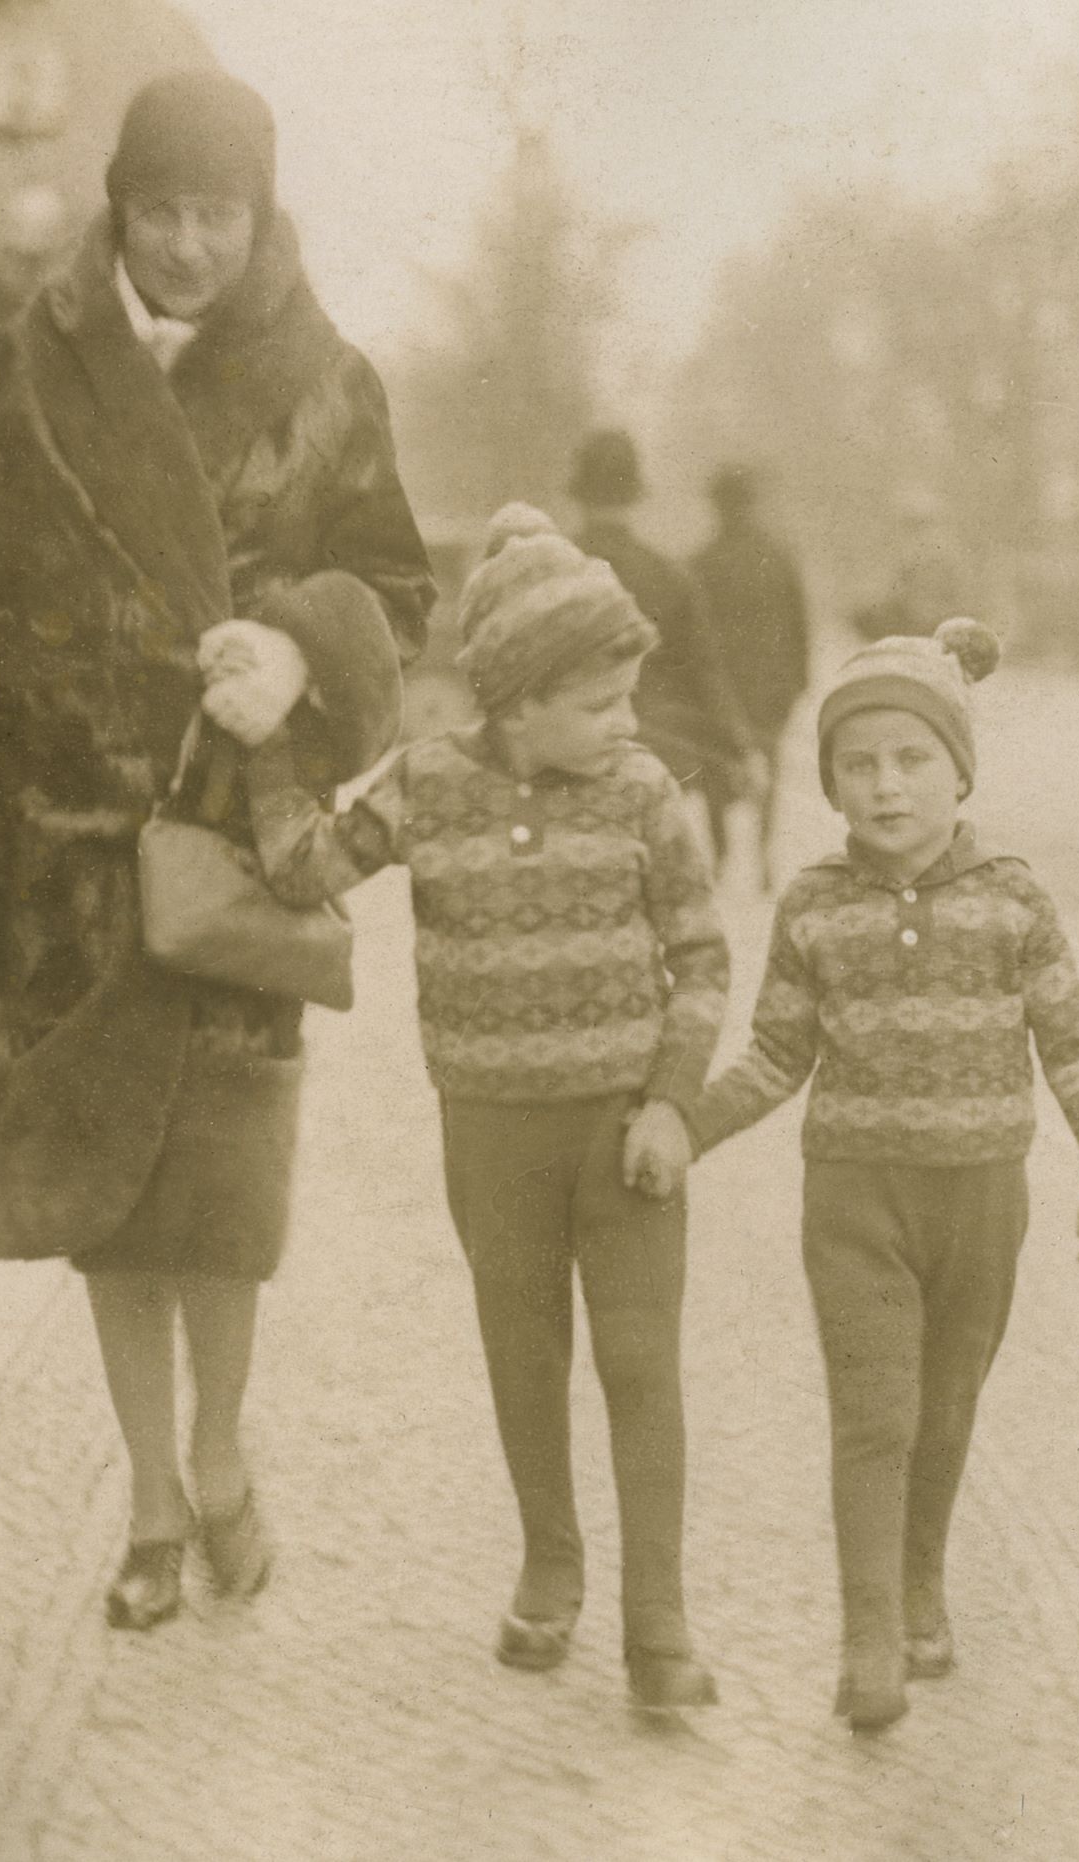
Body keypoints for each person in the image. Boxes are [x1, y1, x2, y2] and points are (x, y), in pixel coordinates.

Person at [0, 70, 434, 1630]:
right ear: (119, 205)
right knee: (105, 1197)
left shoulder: (330, 379)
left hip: (233, 827)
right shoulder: (31, 365)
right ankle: (153, 1505)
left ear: (259, 214)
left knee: (215, 1188)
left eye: (213, 214)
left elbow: (395, 586)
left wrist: (303, 654)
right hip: (66, 834)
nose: (183, 245)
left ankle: (220, 1454)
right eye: (157, 210)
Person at [245, 503, 726, 1710]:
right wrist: (261, 742)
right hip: (489, 1133)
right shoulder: (428, 782)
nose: (625, 726)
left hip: (624, 1135)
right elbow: (302, 866)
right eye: (599, 703)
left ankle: (657, 1623)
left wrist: (673, 1103)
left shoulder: (643, 794)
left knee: (638, 1364)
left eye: (628, 700)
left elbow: (704, 959)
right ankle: (550, 1563)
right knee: (523, 1355)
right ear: (514, 701)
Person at [629, 618, 1079, 1732]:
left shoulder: (1011, 896)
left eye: (912, 759)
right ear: (829, 785)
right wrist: (683, 1127)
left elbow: (1074, 1042)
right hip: (855, 1201)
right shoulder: (814, 903)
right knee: (874, 1415)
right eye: (856, 764)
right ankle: (869, 1639)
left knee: (944, 1412)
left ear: (959, 770)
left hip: (980, 1200)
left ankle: (919, 1584)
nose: (885, 785)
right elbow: (773, 1053)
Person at [565, 428, 760, 838]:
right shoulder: (670, 577)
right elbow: (706, 674)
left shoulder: (547, 567)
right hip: (653, 755)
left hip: (563, 753)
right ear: (635, 494)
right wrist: (741, 748)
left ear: (578, 493)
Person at [689, 463, 809, 888]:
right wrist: (798, 682)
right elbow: (800, 625)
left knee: (715, 777)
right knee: (767, 771)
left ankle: (724, 860)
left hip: (720, 691)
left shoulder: (702, 562)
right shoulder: (778, 557)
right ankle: (761, 857)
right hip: (769, 689)